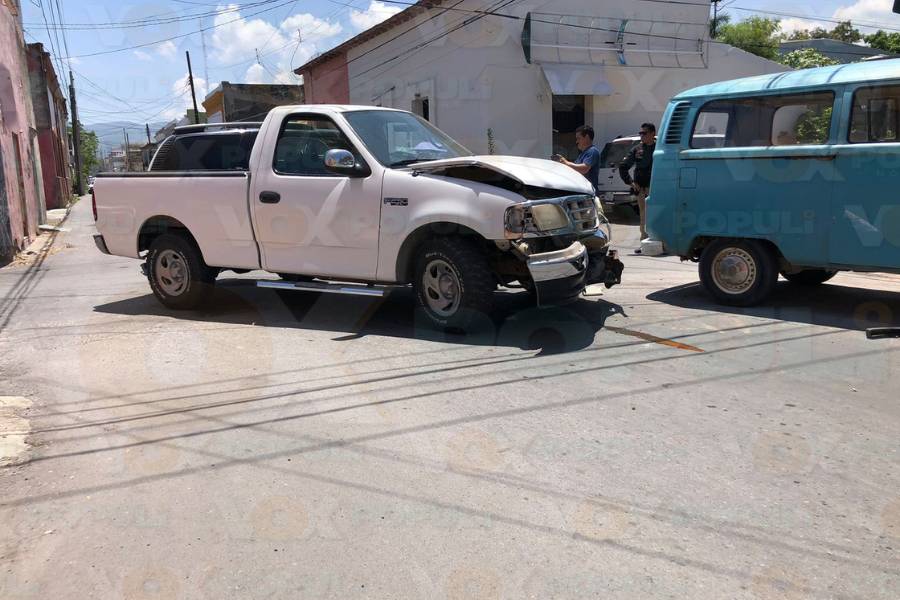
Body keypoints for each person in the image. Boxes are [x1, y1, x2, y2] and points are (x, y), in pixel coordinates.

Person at [619, 123, 656, 253]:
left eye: (644, 133)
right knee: (644, 216)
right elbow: (623, 166)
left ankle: (661, 242)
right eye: (640, 133)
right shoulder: (637, 149)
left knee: (659, 214)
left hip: (658, 188)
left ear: (652, 133)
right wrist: (631, 182)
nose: (641, 135)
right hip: (642, 189)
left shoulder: (660, 148)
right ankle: (644, 243)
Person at [552, 125, 600, 193]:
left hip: (589, 194)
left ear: (586, 137)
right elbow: (574, 169)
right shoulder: (582, 154)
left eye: (578, 138)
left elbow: (584, 169)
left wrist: (566, 162)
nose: (576, 141)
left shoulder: (592, 151)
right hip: (581, 192)